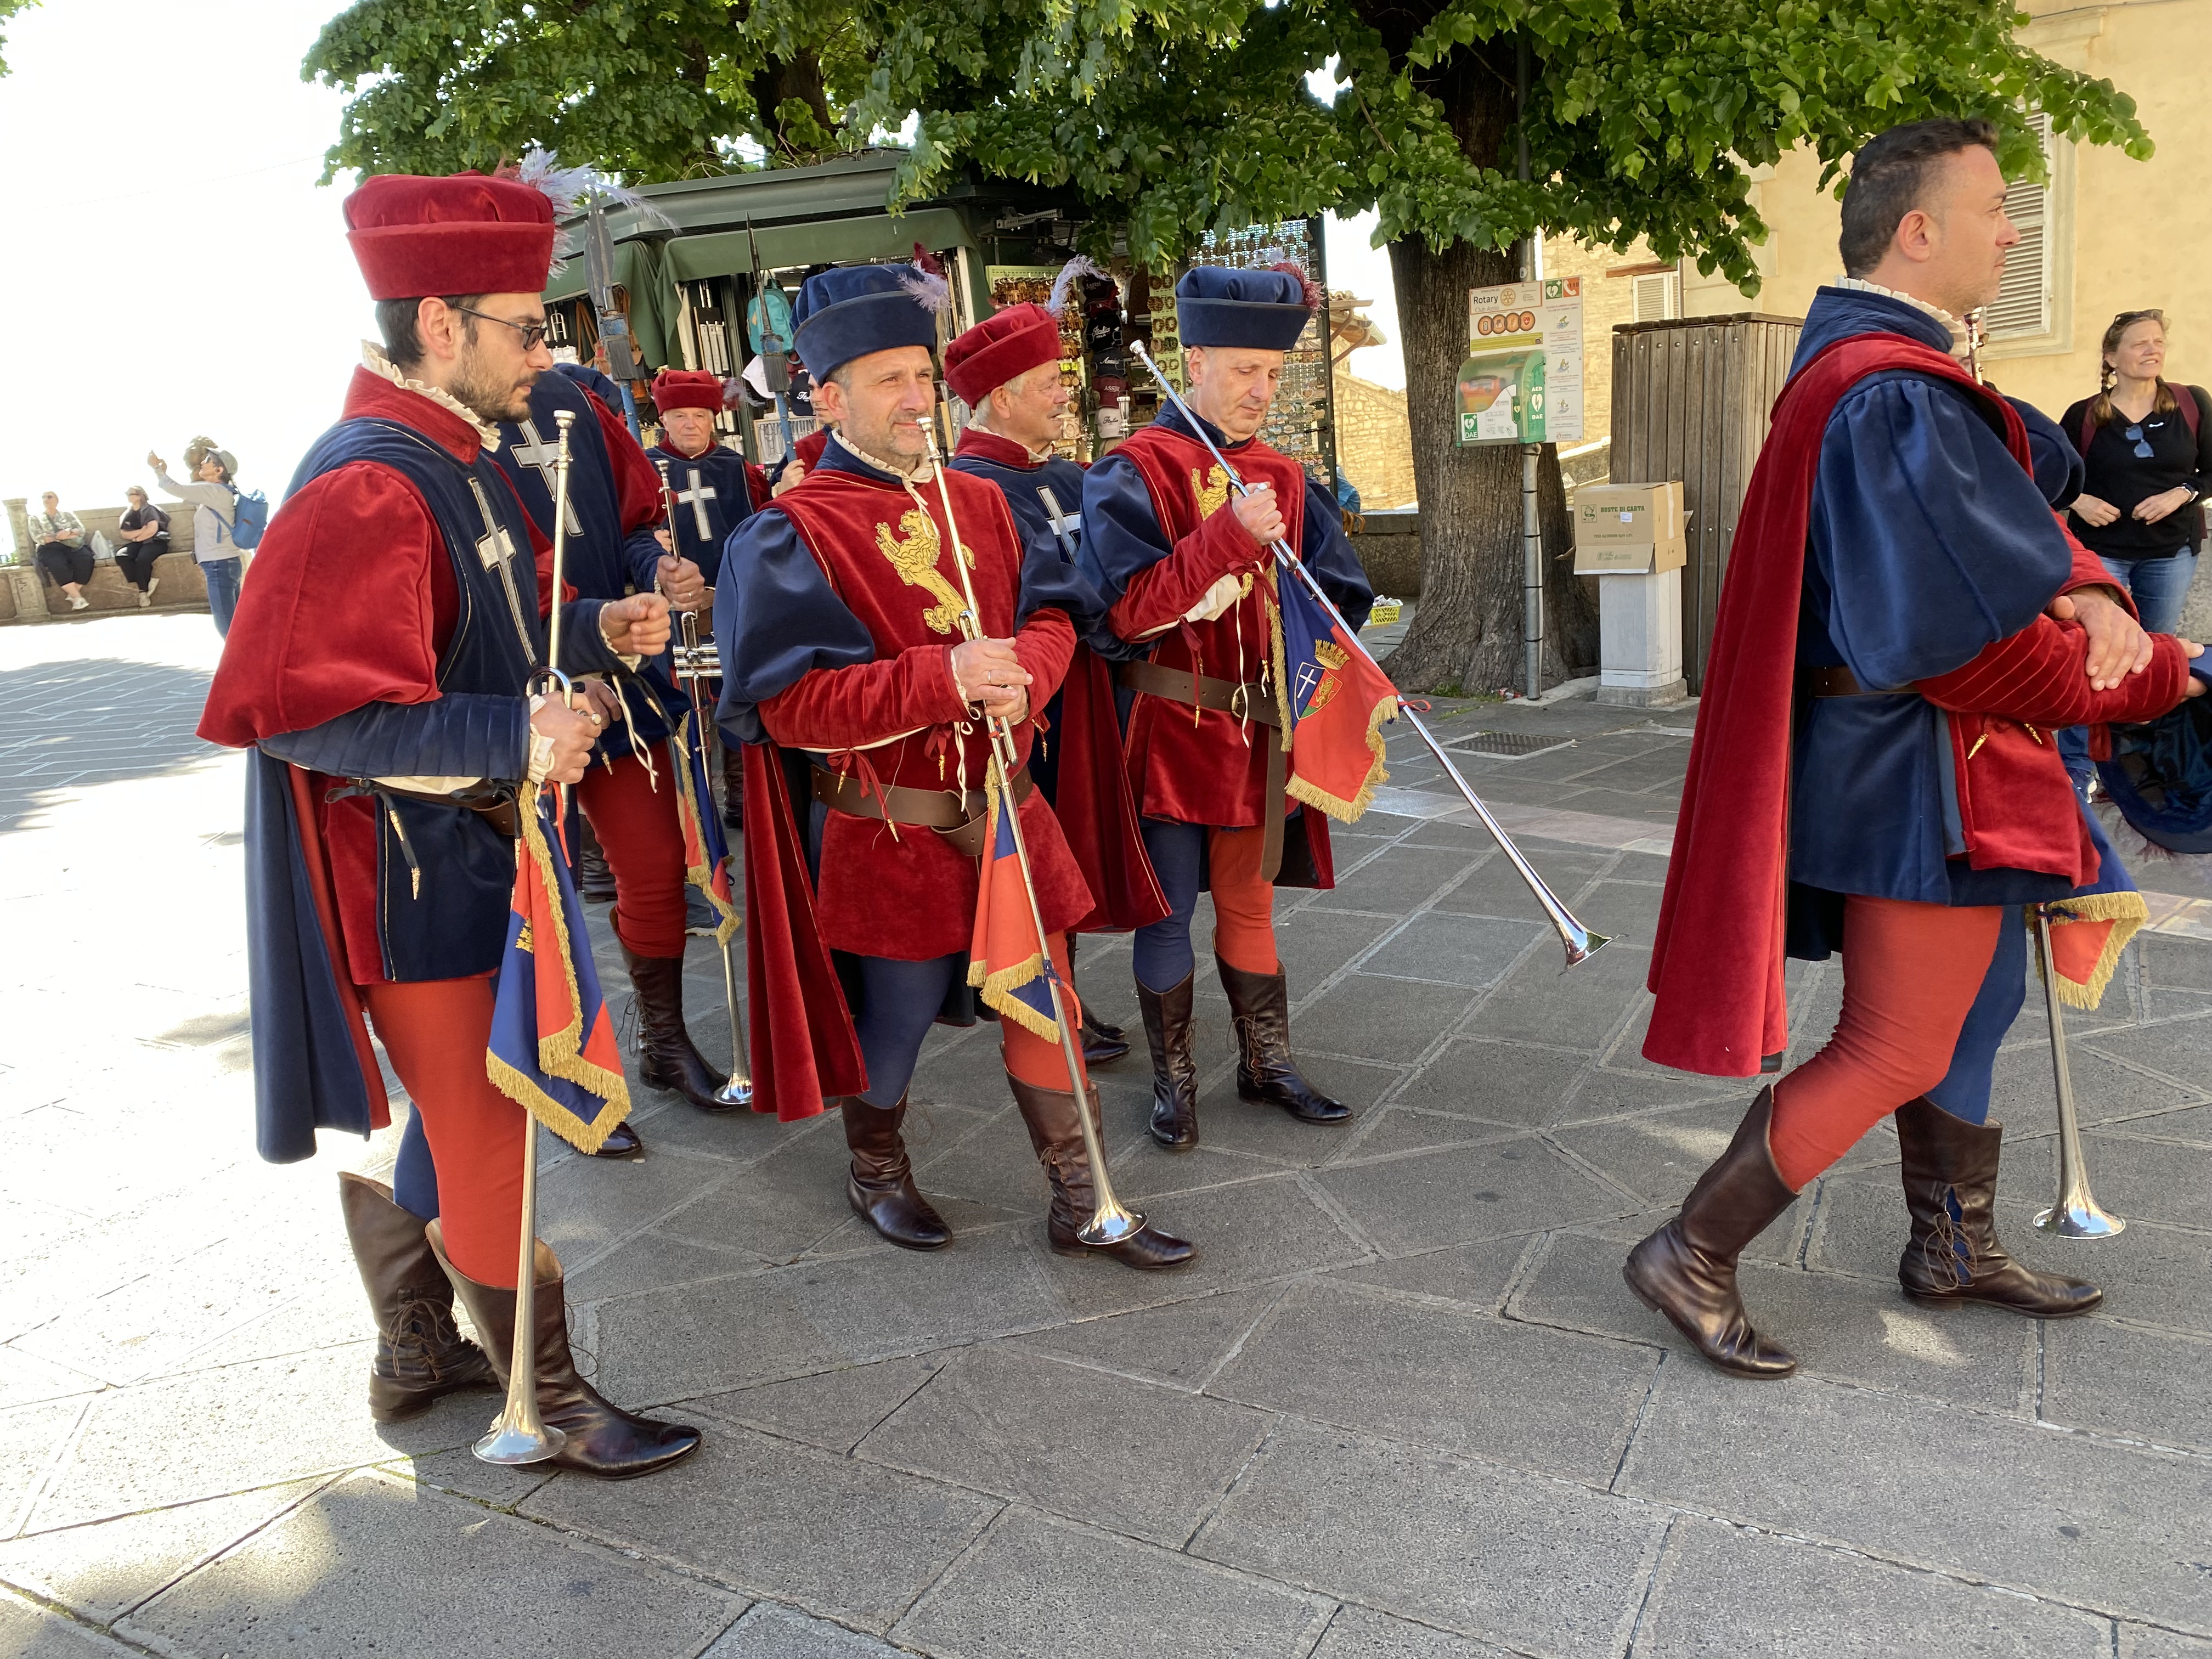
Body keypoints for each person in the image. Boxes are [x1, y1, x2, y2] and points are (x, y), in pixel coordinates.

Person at [1630, 117, 2203, 1379]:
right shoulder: (1889, 391)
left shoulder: (1896, 374)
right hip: (1923, 766)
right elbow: (1955, 642)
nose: (2014, 230)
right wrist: (2161, 675)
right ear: (1918, 230)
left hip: (1947, 762)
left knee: (1984, 1004)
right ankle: (1692, 1249)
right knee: (1894, 1040)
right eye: (1997, 208)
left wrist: (2101, 590)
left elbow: (2030, 532)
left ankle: (1953, 1246)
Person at [194, 167, 697, 1477]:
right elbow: (298, 713)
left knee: (477, 1115)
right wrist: (508, 738)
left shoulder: (457, 451)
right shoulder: (367, 479)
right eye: (528, 328)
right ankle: (551, 1405)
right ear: (439, 325)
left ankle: (418, 1338)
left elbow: (477, 629)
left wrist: (595, 627)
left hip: (478, 851)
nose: (551, 352)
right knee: (491, 1131)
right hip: (415, 876)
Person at [715, 261, 1192, 1271]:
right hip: (891, 828)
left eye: (921, 377)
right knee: (893, 1025)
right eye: (886, 380)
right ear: (829, 395)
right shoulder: (789, 532)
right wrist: (943, 677)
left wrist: (1032, 675)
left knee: (1049, 1001)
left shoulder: (980, 500)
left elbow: (1057, 613)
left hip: (1013, 810)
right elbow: (787, 707)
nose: (913, 399)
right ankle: (875, 1168)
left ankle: (1086, 1199)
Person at [1078, 265, 1374, 1152]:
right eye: (1244, 369)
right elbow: (1123, 613)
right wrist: (1223, 543)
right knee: (1167, 908)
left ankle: (1265, 1061)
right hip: (1170, 730)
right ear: (1193, 359)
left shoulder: (1284, 473)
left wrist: (1306, 606)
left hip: (1258, 736)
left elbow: (1341, 599)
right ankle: (1174, 1083)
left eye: (1273, 374)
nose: (1260, 390)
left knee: (1249, 904)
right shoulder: (1132, 470)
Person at [490, 359, 732, 1145]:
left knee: (656, 867)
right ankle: (551, 1069)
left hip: (619, 683)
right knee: (532, 898)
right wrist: (565, 652)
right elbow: (478, 576)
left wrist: (653, 568)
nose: (537, 346)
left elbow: (627, 528)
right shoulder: (445, 420)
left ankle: (663, 1043)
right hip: (510, 695)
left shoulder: (576, 401)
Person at [944, 295, 1149, 1067]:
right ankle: (1041, 1001)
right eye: (1048, 381)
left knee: (1071, 866)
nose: (1067, 392)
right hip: (1036, 707)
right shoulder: (972, 488)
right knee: (1037, 862)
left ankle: (1060, 991)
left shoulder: (1059, 472)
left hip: (1087, 691)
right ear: (1002, 397)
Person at [646, 368, 771, 827]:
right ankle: (694, 798)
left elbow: (759, 526)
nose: (691, 425)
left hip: (730, 598)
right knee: (682, 695)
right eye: (680, 415)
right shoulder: (647, 467)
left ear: (713, 417)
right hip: (673, 603)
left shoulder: (735, 467)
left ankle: (740, 795)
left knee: (731, 690)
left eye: (699, 415)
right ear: (665, 419)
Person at [2061, 310, 2212, 635]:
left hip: (2171, 552)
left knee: (2156, 641)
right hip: (2098, 552)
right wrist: (2078, 500)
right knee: (2097, 641)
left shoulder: (2192, 402)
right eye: (2140, 344)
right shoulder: (2083, 414)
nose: (2152, 350)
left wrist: (2182, 493)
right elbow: (2047, 475)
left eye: (2158, 342)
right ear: (2112, 358)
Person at [148, 440, 245, 636]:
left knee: (225, 622)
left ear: (219, 470)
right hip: (225, 561)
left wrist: (157, 469)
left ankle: (238, 663)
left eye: (208, 460)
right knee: (235, 621)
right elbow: (186, 495)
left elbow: (175, 489)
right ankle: (246, 660)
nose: (202, 462)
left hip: (219, 563)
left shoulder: (214, 491)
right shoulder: (218, 492)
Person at [27, 492, 92, 610]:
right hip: (49, 548)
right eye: (44, 497)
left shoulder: (67, 515)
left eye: (49, 497)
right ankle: (78, 598)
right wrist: (60, 536)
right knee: (58, 565)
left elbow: (81, 529)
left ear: (57, 500)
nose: (46, 500)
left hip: (71, 546)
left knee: (86, 559)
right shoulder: (35, 518)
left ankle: (73, 595)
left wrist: (69, 532)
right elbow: (38, 537)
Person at [114, 487, 170, 605]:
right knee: (122, 556)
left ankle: (143, 592)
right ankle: (146, 581)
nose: (128, 496)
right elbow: (124, 533)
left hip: (156, 542)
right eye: (127, 494)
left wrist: (137, 537)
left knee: (142, 559)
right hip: (138, 542)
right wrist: (139, 533)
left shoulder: (150, 510)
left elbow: (152, 530)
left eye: (130, 494)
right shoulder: (128, 513)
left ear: (140, 496)